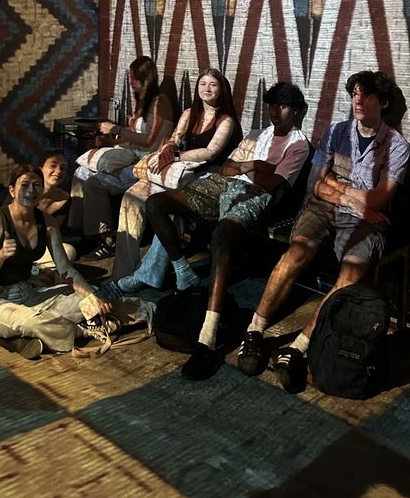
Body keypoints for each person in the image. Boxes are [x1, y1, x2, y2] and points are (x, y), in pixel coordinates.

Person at [104, 84, 310, 358]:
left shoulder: (299, 145)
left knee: (221, 235)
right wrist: (255, 165)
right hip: (222, 184)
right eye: (271, 106)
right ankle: (182, 272)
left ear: (295, 110)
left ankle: (208, 330)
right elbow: (226, 168)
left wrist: (248, 167)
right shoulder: (256, 134)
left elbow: (274, 184)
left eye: (282, 107)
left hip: (256, 194)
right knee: (157, 203)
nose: (275, 112)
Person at [237, 70, 410, 392]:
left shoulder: (396, 146)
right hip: (323, 209)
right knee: (297, 252)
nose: (358, 100)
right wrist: (348, 196)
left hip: (364, 222)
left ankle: (297, 347)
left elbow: (380, 198)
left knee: (351, 272)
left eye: (367, 95)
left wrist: (340, 190)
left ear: (383, 102)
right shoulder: (336, 132)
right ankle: (255, 331)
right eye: (355, 94)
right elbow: (314, 182)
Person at [0, 164, 113, 359]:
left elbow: (65, 269)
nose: (31, 190)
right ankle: (89, 329)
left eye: (37, 185)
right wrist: (1, 255)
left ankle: (28, 339)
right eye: (25, 185)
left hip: (28, 296)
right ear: (12, 190)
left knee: (92, 297)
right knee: (34, 322)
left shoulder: (46, 221)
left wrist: (91, 296)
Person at [110, 68, 241, 278]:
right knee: (131, 198)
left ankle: (153, 275)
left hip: (202, 178)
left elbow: (210, 152)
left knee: (171, 212)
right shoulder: (190, 114)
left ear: (221, 90)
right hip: (176, 172)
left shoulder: (226, 120)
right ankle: (123, 270)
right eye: (203, 84)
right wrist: (168, 149)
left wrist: (176, 156)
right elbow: (174, 139)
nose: (207, 89)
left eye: (213, 85)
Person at [70, 56, 174, 258]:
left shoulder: (160, 102)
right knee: (80, 172)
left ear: (145, 78)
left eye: (133, 78)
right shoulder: (142, 101)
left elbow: (147, 140)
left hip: (147, 160)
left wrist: (116, 128)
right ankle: (78, 231)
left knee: (94, 183)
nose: (130, 82)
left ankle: (108, 240)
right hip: (133, 153)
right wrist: (110, 143)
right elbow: (132, 140)